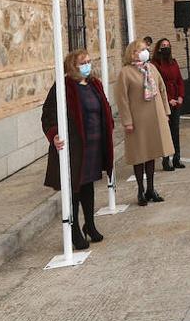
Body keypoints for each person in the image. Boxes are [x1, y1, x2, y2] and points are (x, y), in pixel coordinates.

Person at [42, 49, 114, 250]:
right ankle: (73, 231)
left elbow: (104, 107)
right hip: (74, 147)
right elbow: (47, 114)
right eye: (83, 62)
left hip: (93, 145)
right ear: (73, 65)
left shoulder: (94, 84)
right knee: (74, 188)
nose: (87, 65)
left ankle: (89, 225)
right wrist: (54, 135)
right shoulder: (64, 86)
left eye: (89, 61)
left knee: (88, 186)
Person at [115, 39, 173, 207]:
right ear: (132, 53)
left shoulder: (151, 68)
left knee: (152, 153)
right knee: (139, 155)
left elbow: (162, 89)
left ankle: (151, 189)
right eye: (141, 49)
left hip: (155, 117)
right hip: (137, 120)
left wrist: (166, 112)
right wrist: (127, 121)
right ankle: (140, 189)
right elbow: (122, 99)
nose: (145, 51)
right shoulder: (125, 73)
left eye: (145, 49)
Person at [153, 38, 186, 171]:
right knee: (165, 132)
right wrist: (168, 99)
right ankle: (166, 160)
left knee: (175, 131)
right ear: (159, 48)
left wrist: (180, 96)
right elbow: (158, 85)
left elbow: (179, 80)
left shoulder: (174, 62)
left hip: (176, 101)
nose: (166, 47)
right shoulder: (155, 64)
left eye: (168, 45)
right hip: (165, 101)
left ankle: (177, 158)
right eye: (163, 45)